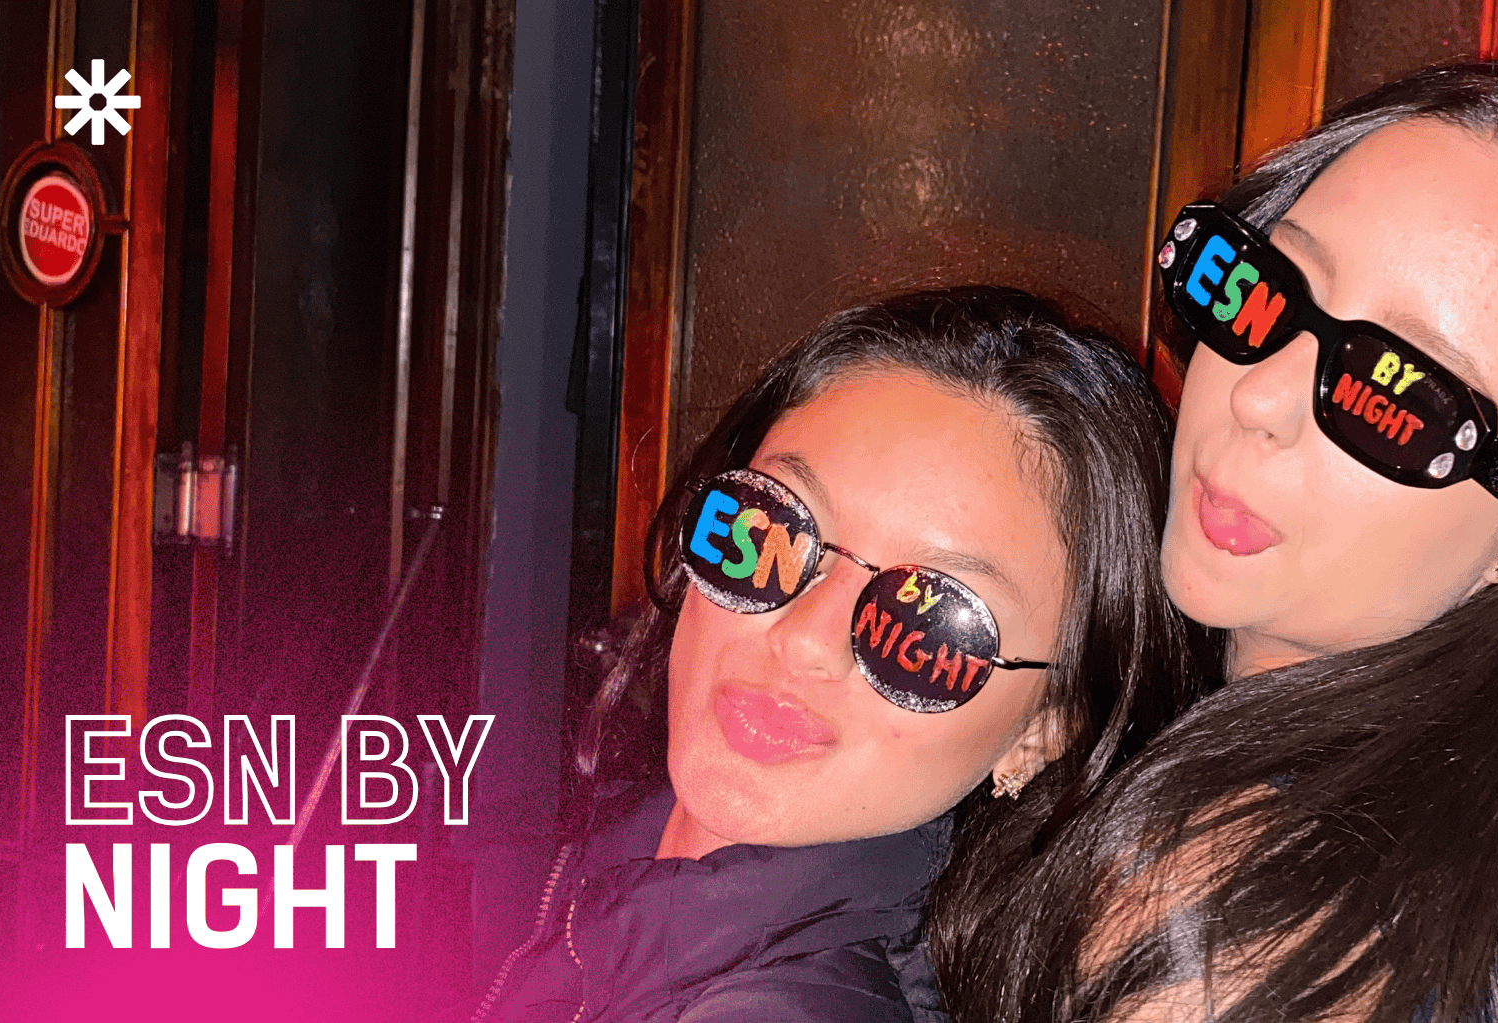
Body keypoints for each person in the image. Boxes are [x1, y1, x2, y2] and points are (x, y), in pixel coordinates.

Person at [930, 62, 1498, 1023]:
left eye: (1395, 392)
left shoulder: (1237, 938)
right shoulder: (1446, 852)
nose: (1258, 394)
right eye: (1266, 289)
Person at [468, 287, 1214, 1022]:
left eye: (928, 624)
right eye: (772, 531)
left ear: (1043, 730)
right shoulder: (619, 863)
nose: (805, 638)